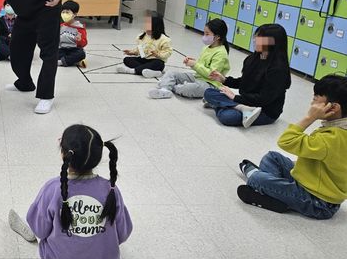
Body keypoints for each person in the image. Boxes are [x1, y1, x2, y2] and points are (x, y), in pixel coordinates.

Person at [7, 124, 132, 259]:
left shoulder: (53, 188)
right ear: (99, 156)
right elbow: (123, 232)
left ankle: (28, 235)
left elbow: (40, 230)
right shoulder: (111, 189)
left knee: (42, 228)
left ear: (63, 154)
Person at [237, 74, 347, 219]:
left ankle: (264, 186)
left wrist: (310, 117)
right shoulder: (338, 128)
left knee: (257, 179)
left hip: (318, 201)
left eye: (316, 98)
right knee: (273, 157)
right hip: (311, 180)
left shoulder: (331, 138)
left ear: (333, 107)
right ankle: (273, 193)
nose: (312, 101)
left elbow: (286, 141)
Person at [204, 23, 291, 128]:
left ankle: (221, 104)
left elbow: (263, 99)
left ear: (273, 43)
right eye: (256, 37)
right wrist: (225, 80)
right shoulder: (254, 58)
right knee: (208, 92)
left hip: (264, 110)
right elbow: (244, 81)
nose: (255, 40)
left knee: (227, 117)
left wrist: (235, 97)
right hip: (246, 103)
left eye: (260, 38)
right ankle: (237, 107)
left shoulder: (278, 69)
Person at [148, 18, 230, 99]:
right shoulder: (207, 47)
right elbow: (203, 65)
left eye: (207, 34)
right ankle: (164, 89)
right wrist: (193, 62)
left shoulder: (221, 53)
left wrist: (195, 65)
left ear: (217, 36)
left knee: (188, 88)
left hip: (210, 84)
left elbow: (211, 75)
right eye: (204, 33)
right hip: (198, 76)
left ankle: (168, 84)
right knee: (171, 73)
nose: (204, 36)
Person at [118, 12, 173, 77]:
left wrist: (158, 55)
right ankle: (155, 72)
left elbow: (168, 52)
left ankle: (133, 71)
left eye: (150, 29)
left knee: (158, 64)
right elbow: (140, 50)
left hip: (155, 60)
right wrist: (132, 52)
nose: (146, 30)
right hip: (144, 60)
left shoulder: (165, 39)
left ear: (157, 28)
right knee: (126, 59)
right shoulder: (141, 36)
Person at [58, 0, 88, 68]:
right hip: (62, 49)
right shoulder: (61, 26)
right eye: (63, 12)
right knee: (53, 53)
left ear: (75, 14)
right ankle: (74, 61)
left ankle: (62, 62)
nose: (65, 14)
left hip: (74, 49)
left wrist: (79, 40)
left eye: (67, 12)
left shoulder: (79, 28)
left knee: (81, 54)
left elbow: (84, 43)